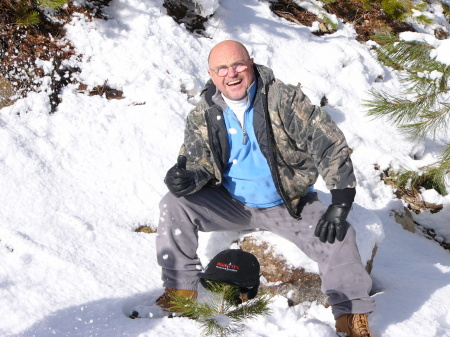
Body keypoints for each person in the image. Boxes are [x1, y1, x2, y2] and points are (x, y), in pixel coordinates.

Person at [156, 40, 375, 337]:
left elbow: (327, 141)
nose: (231, 74)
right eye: (222, 68)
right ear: (211, 73)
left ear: (251, 63)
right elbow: (198, 162)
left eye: (238, 65)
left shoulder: (283, 99)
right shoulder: (204, 112)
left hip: (287, 202)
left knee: (339, 234)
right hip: (232, 202)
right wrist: (186, 179)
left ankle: (351, 318)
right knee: (174, 203)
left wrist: (341, 200)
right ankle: (180, 295)